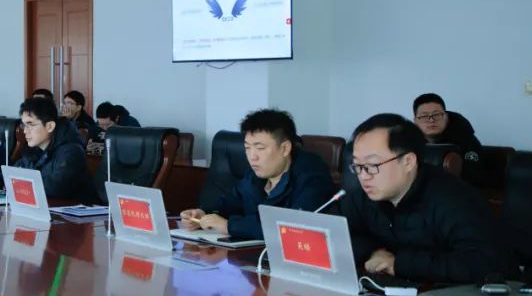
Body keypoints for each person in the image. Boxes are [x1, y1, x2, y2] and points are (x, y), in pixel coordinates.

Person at [340, 113, 511, 284]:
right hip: (394, 291)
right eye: (357, 166)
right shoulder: (367, 195)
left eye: (372, 165)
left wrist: (399, 264)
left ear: (408, 161)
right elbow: (335, 234)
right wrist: (372, 252)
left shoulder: (454, 200)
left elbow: (483, 263)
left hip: (451, 295)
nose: (363, 176)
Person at [180, 109, 335, 241]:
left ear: (285, 148)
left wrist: (229, 226)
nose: (252, 157)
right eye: (247, 148)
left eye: (260, 148)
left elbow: (292, 228)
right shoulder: (255, 175)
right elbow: (229, 204)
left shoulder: (312, 176)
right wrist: (203, 214)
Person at [0, 97, 94, 202]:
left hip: (71, 214)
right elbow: (17, 171)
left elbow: (56, 188)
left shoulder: (71, 151)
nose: (25, 131)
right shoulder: (35, 148)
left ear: (49, 126)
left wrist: (18, 182)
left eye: (30, 125)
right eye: (24, 125)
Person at [412, 93, 483, 183]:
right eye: (424, 116)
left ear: (446, 117)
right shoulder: (409, 143)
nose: (431, 120)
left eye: (436, 115)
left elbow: (474, 179)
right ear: (415, 121)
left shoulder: (467, 140)